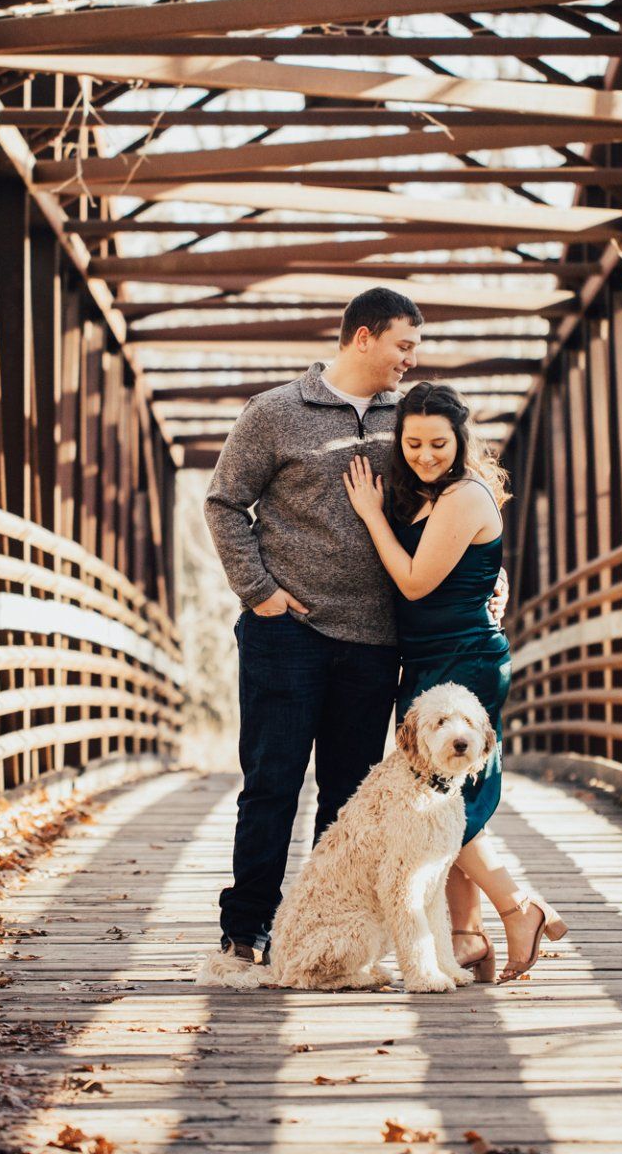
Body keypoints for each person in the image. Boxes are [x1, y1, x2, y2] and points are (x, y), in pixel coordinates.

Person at [199, 287, 425, 978]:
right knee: (272, 785)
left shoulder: (409, 419)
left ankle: (321, 935)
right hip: (286, 634)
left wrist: (486, 574)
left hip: (374, 638)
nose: (410, 360)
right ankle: (246, 933)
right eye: (403, 345)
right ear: (362, 337)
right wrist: (259, 593)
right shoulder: (275, 412)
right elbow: (224, 503)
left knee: (348, 799)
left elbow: (454, 497)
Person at [341, 381, 565, 982]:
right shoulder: (425, 494)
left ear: (460, 440)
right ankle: (466, 937)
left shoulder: (465, 494)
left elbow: (416, 582)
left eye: (438, 443)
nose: (424, 455)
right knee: (448, 799)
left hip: (464, 659)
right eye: (412, 443)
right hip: (425, 660)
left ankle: (517, 908)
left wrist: (370, 515)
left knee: (442, 795)